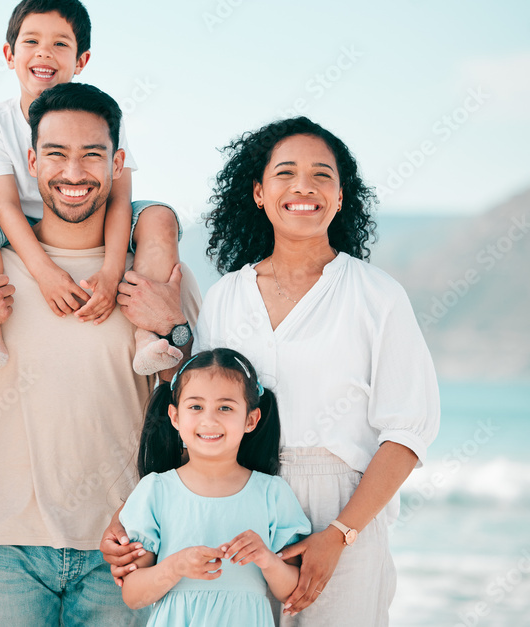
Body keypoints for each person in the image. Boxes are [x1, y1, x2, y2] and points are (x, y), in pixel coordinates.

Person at [102, 116, 440, 626]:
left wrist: (340, 533)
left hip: (343, 502)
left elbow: (408, 432)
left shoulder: (377, 296)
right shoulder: (227, 295)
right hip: (237, 497)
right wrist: (133, 515)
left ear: (342, 196)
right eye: (286, 173)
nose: (304, 186)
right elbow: (203, 414)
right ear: (259, 193)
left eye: (322, 175)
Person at [0, 82, 201, 626]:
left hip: (127, 544)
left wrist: (173, 329)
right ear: (31, 161)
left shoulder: (153, 275)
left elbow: (198, 415)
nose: (74, 172)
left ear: (118, 164)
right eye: (56, 154)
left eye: (92, 154)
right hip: (6, 546)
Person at [0, 0, 185, 376]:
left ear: (81, 60)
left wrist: (111, 274)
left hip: (95, 213)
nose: (44, 53)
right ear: (10, 56)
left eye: (60, 43)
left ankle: (150, 334)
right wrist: (44, 272)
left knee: (160, 218)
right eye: (32, 41)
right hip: (22, 225)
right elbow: (5, 205)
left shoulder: (103, 116)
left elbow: (121, 199)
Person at [119, 348, 310, 626]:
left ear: (251, 420)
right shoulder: (155, 491)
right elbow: (133, 595)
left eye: (225, 407)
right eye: (195, 406)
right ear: (174, 417)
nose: (209, 419)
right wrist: (175, 566)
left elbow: (291, 591)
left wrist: (267, 559)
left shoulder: (272, 493)